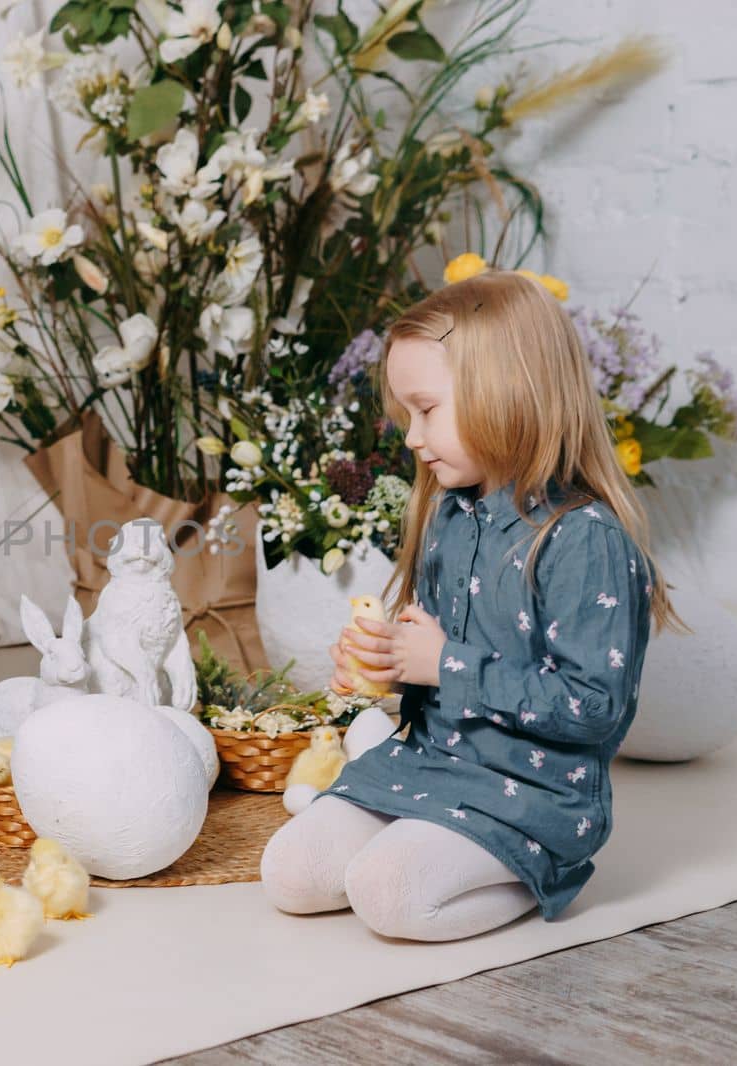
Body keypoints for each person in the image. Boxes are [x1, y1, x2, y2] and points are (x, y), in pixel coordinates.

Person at [262, 270, 678, 941]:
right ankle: (430, 841)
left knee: (386, 894)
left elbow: (596, 709)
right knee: (291, 874)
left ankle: (539, 871)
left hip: (530, 793)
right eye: (406, 416)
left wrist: (445, 664)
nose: (411, 439)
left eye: (426, 410)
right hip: (433, 763)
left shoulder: (584, 540)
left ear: (508, 393)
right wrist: (392, 664)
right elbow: (434, 659)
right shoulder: (453, 515)